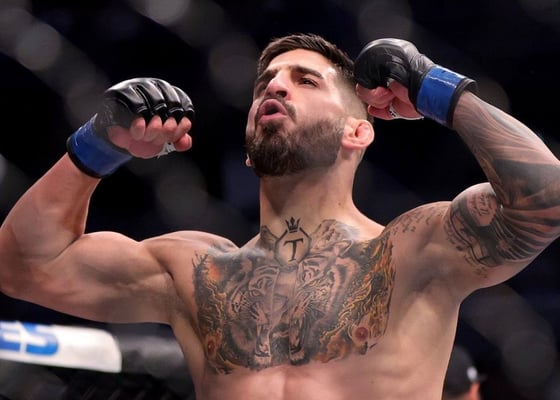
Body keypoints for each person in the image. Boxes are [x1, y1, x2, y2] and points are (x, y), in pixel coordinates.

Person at [0, 32, 559, 400]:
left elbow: (548, 198)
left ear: (358, 130)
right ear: (249, 149)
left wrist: (437, 89)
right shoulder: (196, 271)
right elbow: (26, 266)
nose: (275, 85)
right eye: (267, 82)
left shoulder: (414, 250)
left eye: (305, 80)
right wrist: (99, 144)